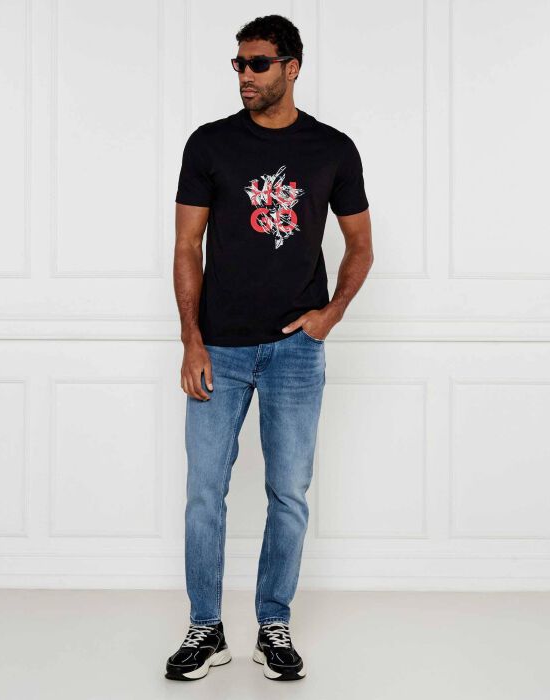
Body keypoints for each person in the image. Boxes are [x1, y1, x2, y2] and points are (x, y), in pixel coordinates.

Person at [165, 13, 374, 682]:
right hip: (219, 350)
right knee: (204, 491)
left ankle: (272, 624)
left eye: (258, 64)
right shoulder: (209, 144)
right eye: (239, 64)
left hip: (295, 353)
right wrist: (191, 339)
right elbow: (186, 246)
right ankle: (205, 628)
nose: (245, 75)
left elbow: (361, 246)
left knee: (288, 492)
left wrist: (330, 315)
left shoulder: (332, 149)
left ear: (292, 67)